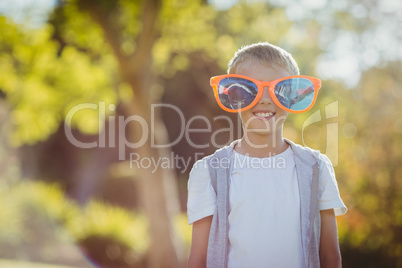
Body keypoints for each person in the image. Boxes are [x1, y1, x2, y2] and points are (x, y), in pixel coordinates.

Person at [187, 42, 347, 268]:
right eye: (248, 90)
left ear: (292, 97)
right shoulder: (208, 173)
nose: (264, 99)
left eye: (278, 89)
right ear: (232, 97)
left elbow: (330, 257)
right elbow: (198, 260)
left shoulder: (317, 167)